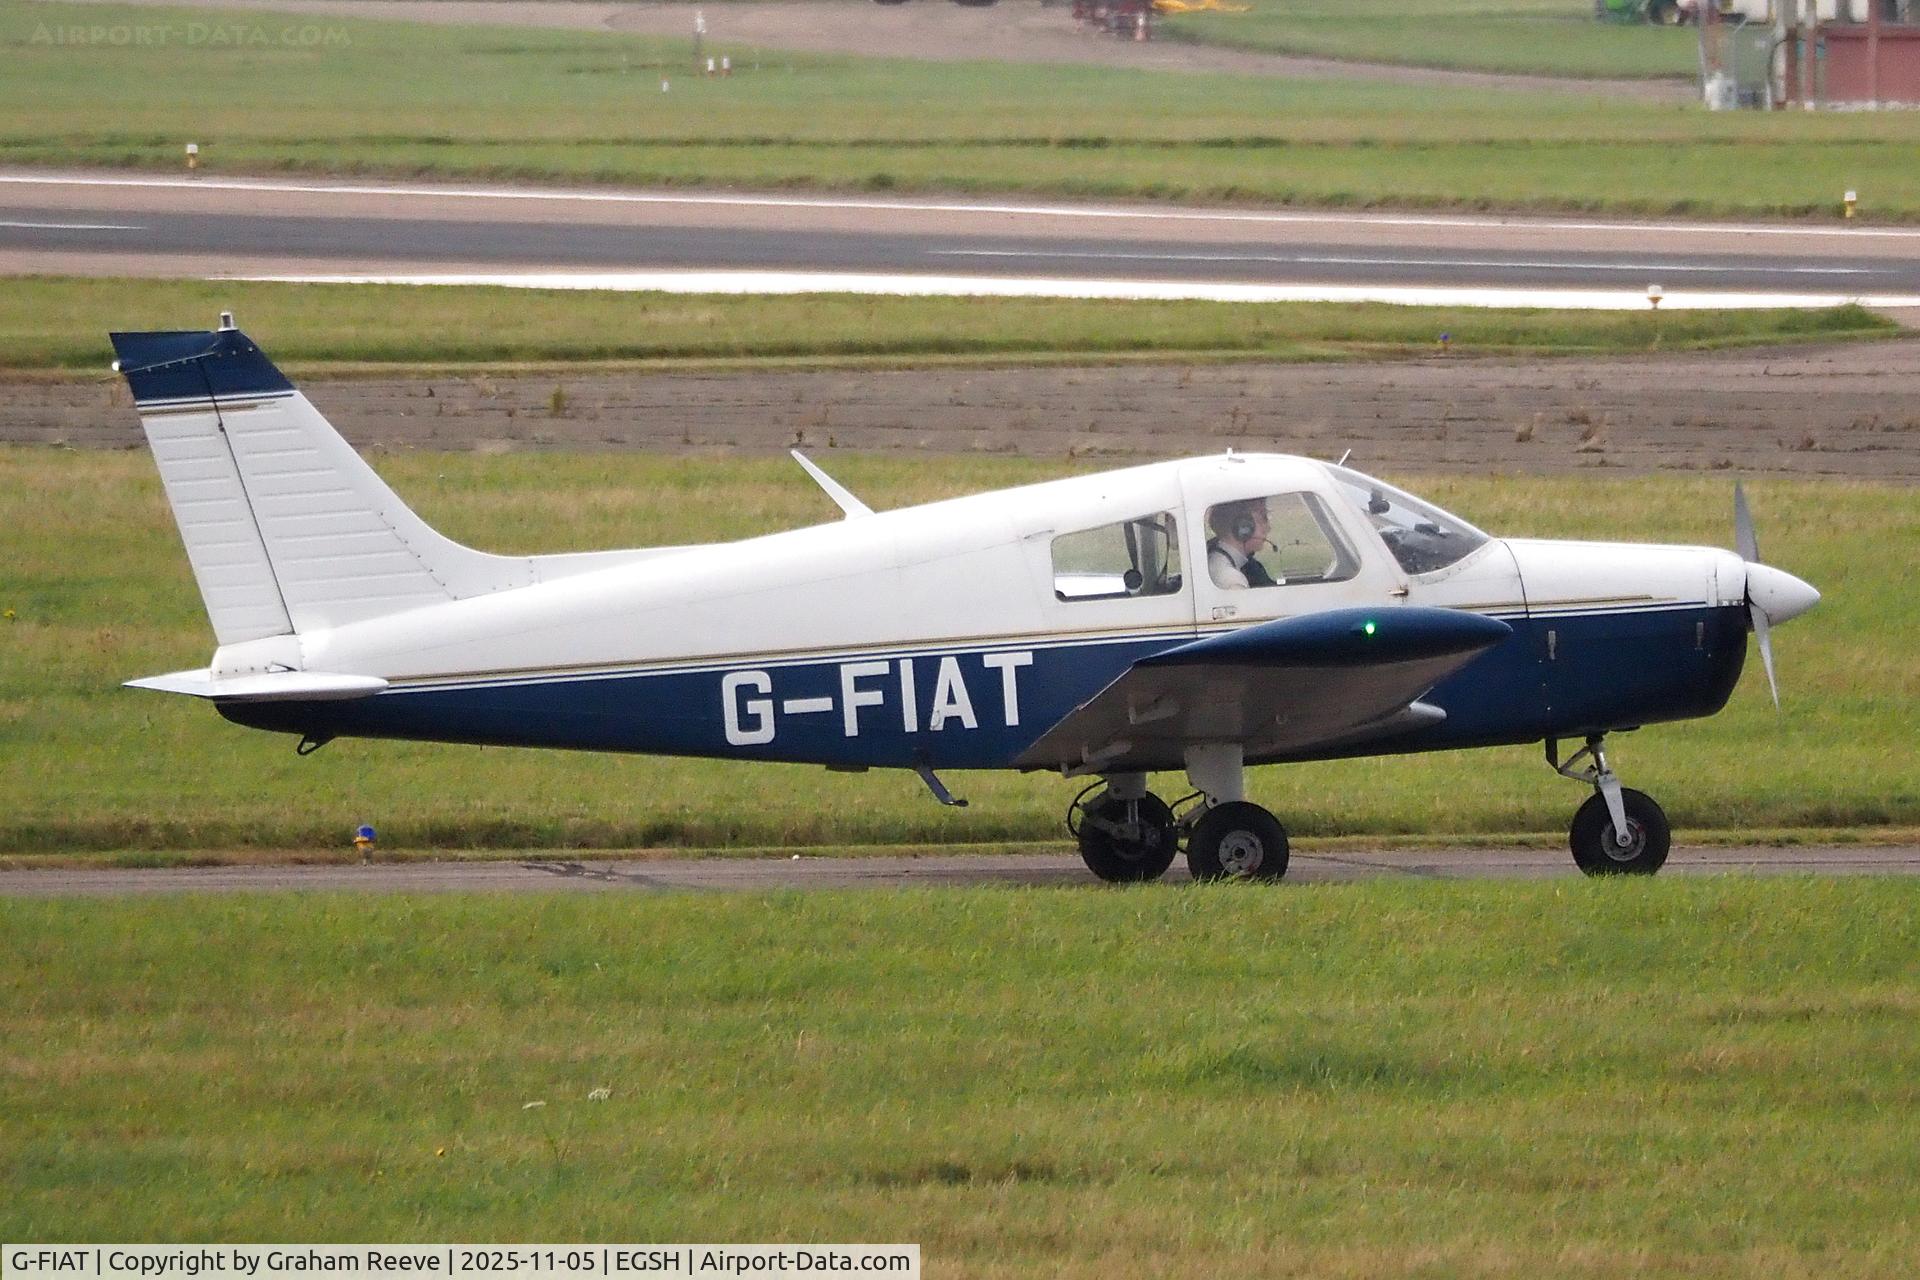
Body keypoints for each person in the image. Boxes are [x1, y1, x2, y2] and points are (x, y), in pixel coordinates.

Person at [1207, 497, 1276, 589]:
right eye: (1263, 518)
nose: (1268, 528)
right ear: (1243, 526)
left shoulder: (1220, 561)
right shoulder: (1232, 580)